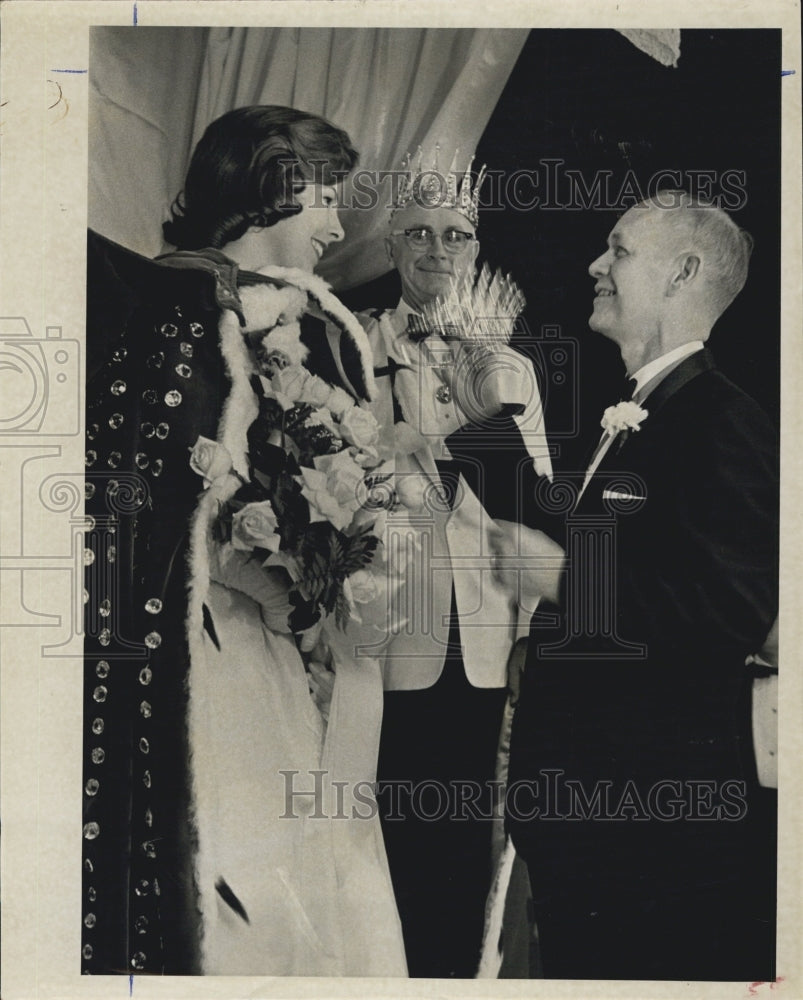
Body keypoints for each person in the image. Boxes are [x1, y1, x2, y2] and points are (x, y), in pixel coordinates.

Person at [81, 105, 407, 977]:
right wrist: (253, 568)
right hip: (209, 651)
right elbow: (143, 494)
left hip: (273, 650)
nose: (338, 227)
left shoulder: (299, 319)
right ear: (271, 191)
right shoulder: (168, 304)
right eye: (325, 200)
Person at [493, 191, 778, 980]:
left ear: (681, 272)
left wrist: (562, 581)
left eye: (616, 250)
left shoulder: (723, 423)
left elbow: (729, 613)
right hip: (598, 825)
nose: (594, 265)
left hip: (650, 834)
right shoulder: (648, 411)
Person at [347, 151, 551, 977]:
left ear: (476, 248)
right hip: (387, 625)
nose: (439, 251)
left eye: (456, 236)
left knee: (467, 845)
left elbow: (533, 495)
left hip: (484, 628)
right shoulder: (351, 344)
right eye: (420, 235)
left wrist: (436, 434)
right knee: (385, 835)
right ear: (392, 247)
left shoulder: (514, 365)